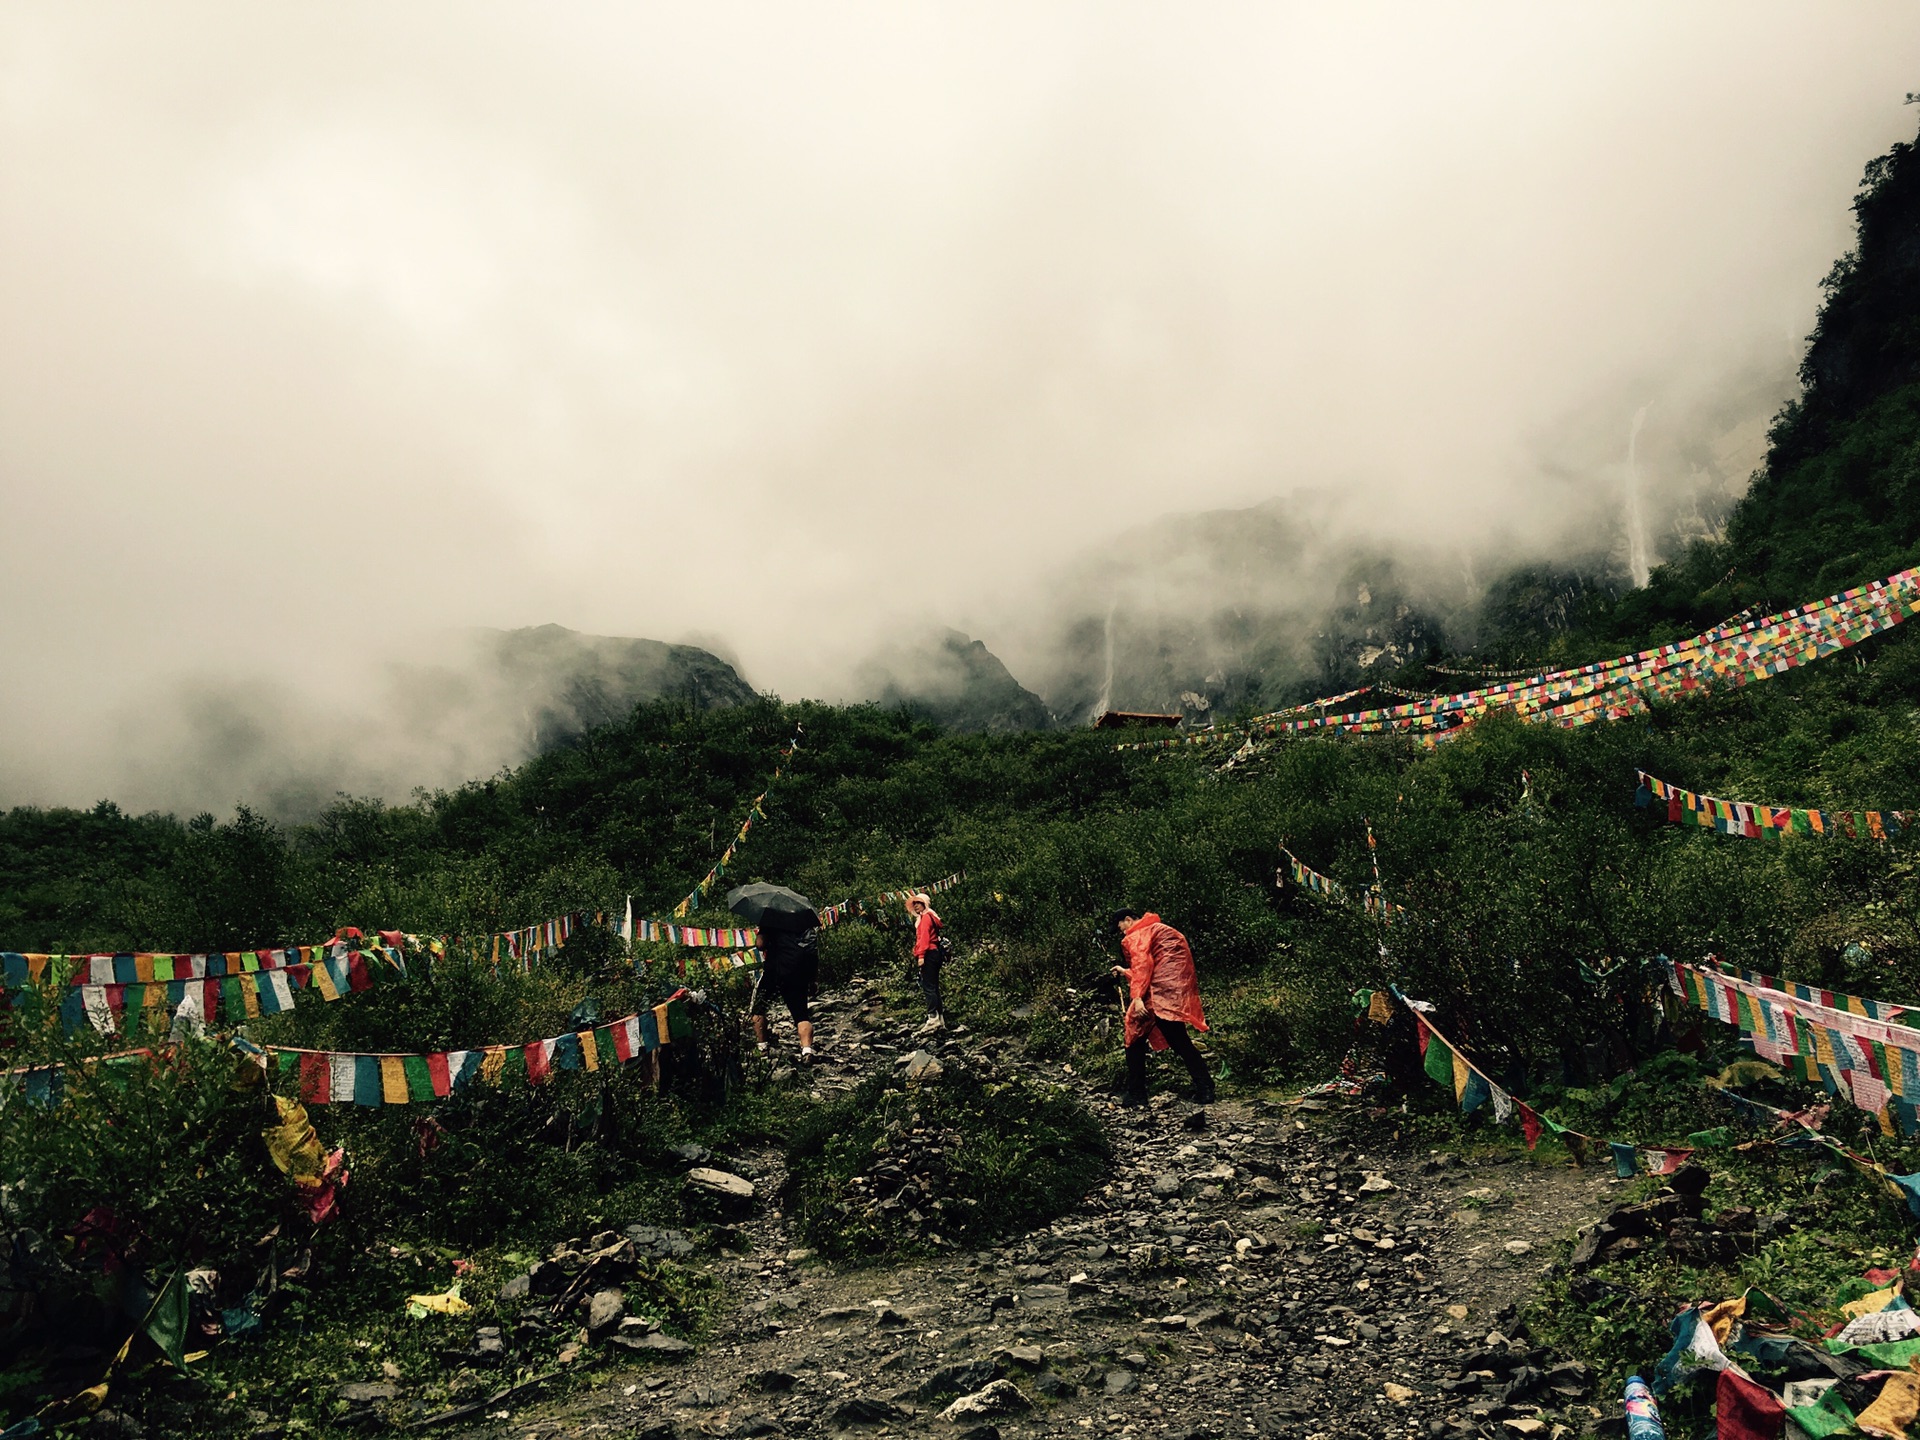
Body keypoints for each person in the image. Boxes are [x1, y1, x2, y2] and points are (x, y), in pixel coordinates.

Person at [1110, 906, 1214, 1107]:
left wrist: (1138, 997)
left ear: (1128, 919)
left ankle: (1137, 1093)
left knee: (1134, 1036)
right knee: (1177, 1039)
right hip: (1171, 990)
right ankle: (1205, 1087)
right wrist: (1125, 971)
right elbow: (1156, 967)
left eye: (1120, 927)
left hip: (1159, 994)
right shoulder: (1156, 929)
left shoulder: (1137, 934)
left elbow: (1144, 966)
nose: (1121, 932)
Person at [751, 918, 820, 1062]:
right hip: (797, 973)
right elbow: (813, 952)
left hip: (774, 971)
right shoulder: (803, 922)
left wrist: (762, 931)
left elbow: (760, 944)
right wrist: (812, 979)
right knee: (801, 1015)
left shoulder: (770, 919)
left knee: (759, 1009)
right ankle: (807, 1050)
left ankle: (762, 1048)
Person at [908, 893, 947, 1034]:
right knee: (934, 986)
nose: (916, 905)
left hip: (929, 953)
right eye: (915, 903)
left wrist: (921, 956)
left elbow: (924, 938)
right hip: (936, 953)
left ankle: (932, 1018)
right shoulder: (932, 916)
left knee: (928, 986)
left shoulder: (925, 918)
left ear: (925, 904)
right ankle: (940, 1018)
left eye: (919, 902)